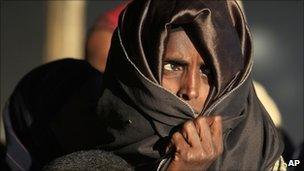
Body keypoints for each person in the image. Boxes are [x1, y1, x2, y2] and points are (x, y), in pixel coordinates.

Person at [3, 0, 285, 170]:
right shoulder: (88, 154)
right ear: (136, 72)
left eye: (209, 71)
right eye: (173, 66)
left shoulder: (260, 148)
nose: (192, 91)